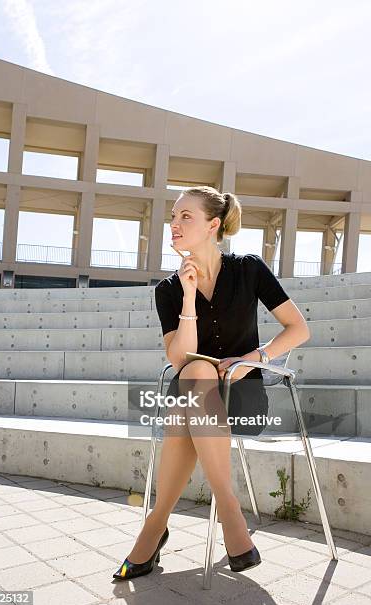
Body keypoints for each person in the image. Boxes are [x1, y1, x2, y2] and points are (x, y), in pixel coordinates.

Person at [113, 185, 310, 580]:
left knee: (192, 401)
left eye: (186, 216)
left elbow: (298, 329)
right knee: (198, 372)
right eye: (173, 217)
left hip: (243, 396)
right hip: (192, 397)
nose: (174, 224)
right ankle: (230, 512)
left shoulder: (249, 268)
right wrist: (188, 297)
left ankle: (155, 525)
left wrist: (251, 359)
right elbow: (179, 358)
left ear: (213, 224)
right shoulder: (168, 290)